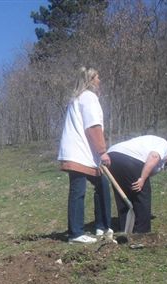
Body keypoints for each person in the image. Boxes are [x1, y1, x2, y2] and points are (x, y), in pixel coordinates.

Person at [57, 67, 114, 244]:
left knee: (102, 184)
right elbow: (93, 127)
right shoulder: (88, 97)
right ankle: (75, 233)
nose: (100, 80)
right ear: (90, 80)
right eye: (97, 77)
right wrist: (102, 151)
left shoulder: (78, 99)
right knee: (78, 190)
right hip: (78, 152)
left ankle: (102, 226)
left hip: (83, 153)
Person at [107, 135, 167, 233]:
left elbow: (152, 169)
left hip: (112, 156)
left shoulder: (151, 144)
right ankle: (142, 231)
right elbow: (154, 156)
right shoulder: (165, 145)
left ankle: (125, 229)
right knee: (142, 194)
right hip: (130, 158)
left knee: (123, 194)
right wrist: (142, 178)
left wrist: (144, 176)